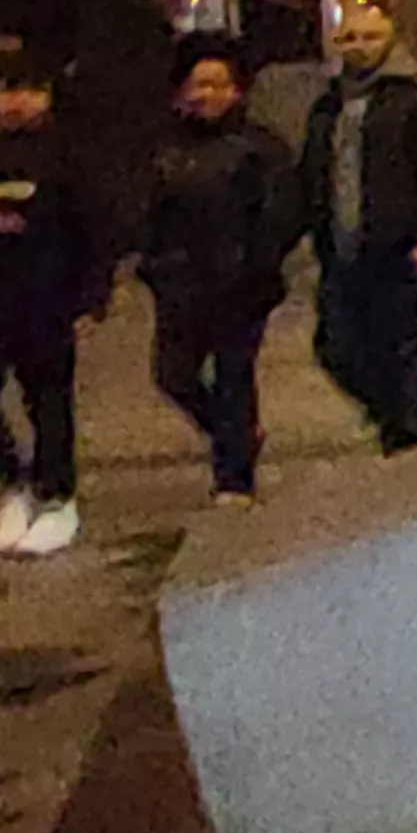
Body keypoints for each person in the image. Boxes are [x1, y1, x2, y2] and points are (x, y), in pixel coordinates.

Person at [139, 38, 300, 506]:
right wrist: (153, 263)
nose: (206, 95)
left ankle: (234, 479)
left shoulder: (259, 148)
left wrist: (258, 260)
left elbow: (283, 212)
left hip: (241, 282)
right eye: (197, 84)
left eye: (218, 84)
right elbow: (146, 212)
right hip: (179, 282)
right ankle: (237, 436)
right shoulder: (164, 148)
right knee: (174, 374)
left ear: (236, 90)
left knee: (234, 374)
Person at [298, 2, 417, 459]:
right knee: (335, 346)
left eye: (370, 37)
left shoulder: (413, 98)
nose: (359, 47)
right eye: (349, 38)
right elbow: (311, 170)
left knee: (402, 342)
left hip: (399, 242)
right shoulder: (328, 103)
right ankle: (392, 410)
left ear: (389, 39)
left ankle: (402, 436)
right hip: (341, 243)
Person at [0, 42, 102, 557]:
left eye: (32, 90)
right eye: (9, 90)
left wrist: (91, 298)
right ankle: (13, 479)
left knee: (49, 402)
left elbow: (94, 230)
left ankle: (58, 496)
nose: (19, 102)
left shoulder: (71, 155)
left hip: (46, 298)